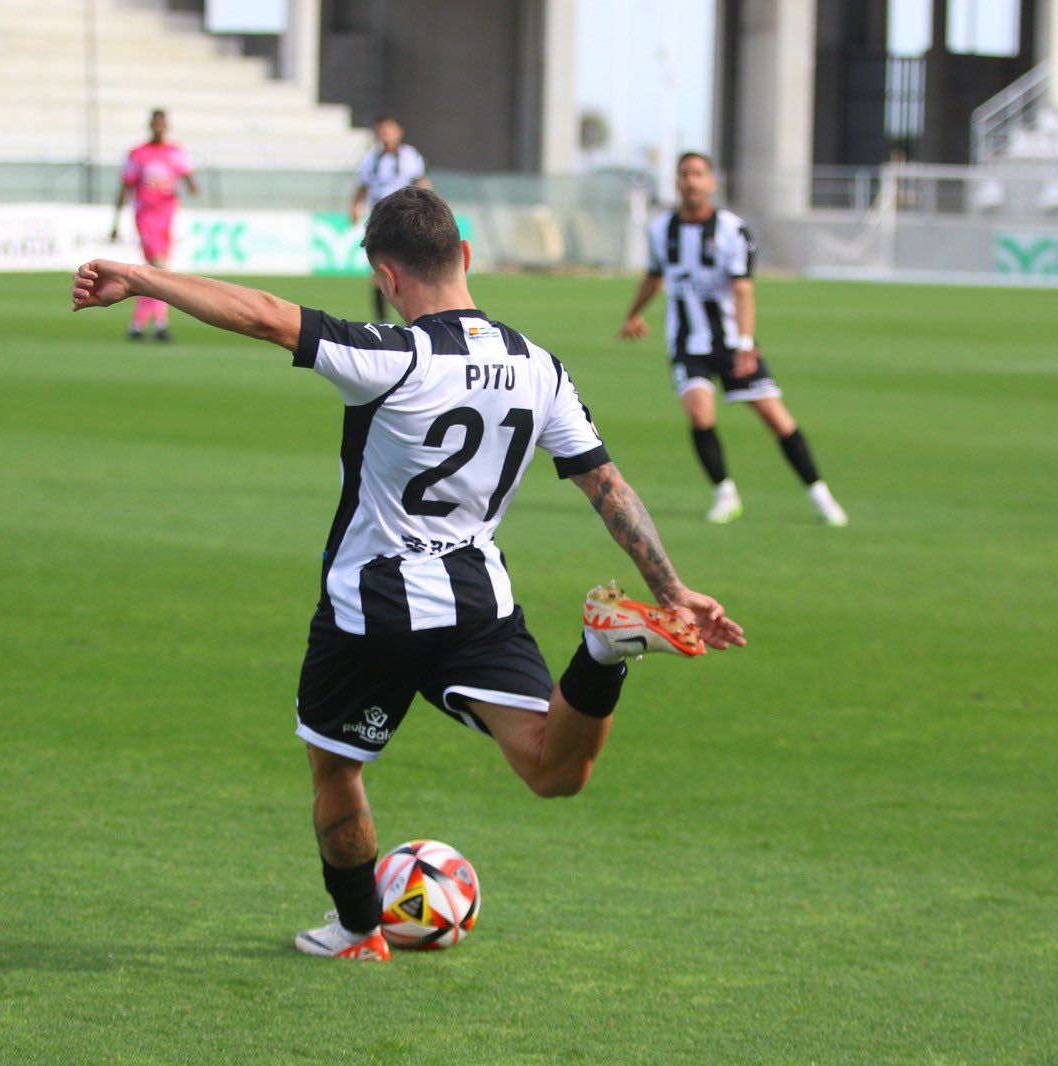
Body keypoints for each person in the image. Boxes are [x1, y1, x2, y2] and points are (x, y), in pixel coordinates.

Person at [72, 187, 746, 963]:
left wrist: (141, 276)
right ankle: (600, 652)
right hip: (477, 602)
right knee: (550, 768)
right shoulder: (540, 369)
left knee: (337, 765)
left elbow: (260, 312)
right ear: (465, 256)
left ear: (388, 278)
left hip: (374, 608)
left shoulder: (391, 355)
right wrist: (670, 589)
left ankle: (359, 932)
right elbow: (607, 486)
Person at [620, 152, 848, 526]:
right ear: (677, 183)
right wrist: (634, 313)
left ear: (712, 182)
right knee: (699, 413)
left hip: (732, 344)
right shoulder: (661, 230)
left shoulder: (732, 230)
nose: (690, 181)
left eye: (697, 174)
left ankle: (820, 494)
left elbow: (743, 290)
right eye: (684, 175)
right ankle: (725, 494)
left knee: (777, 418)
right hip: (687, 344)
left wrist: (745, 343)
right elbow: (653, 276)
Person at [111, 108, 199, 342]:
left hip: (167, 217)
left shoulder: (176, 152)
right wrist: (116, 221)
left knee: (156, 271)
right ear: (151, 126)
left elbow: (190, 179)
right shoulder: (138, 154)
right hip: (146, 217)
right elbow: (126, 186)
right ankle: (160, 323)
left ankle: (137, 325)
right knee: (159, 269)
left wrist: (191, 184)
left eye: (162, 124)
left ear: (166, 126)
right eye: (155, 124)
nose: (159, 128)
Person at [351, 114, 430, 321]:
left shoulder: (410, 156)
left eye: (389, 130)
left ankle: (416, 318)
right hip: (380, 223)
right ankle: (382, 322)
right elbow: (361, 187)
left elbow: (422, 183)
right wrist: (354, 207)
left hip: (407, 220)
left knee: (412, 272)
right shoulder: (370, 159)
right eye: (381, 130)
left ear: (399, 133)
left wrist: (429, 207)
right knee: (379, 275)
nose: (385, 135)